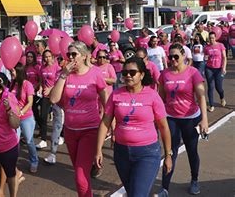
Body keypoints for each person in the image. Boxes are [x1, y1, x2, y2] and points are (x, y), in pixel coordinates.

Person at [95, 57, 172, 197]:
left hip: (147, 153)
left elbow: (164, 127)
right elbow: (105, 122)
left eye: (132, 72)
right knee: (133, 193)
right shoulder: (116, 95)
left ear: (142, 74)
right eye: (125, 73)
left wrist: (168, 155)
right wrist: (98, 150)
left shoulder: (152, 96)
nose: (128, 75)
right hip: (121, 153)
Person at [50, 41, 107, 197]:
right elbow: (54, 99)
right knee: (81, 173)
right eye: (68, 55)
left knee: (80, 178)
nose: (70, 57)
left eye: (74, 54)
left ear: (84, 56)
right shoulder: (65, 75)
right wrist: (63, 75)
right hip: (70, 131)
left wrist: (108, 124)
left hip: (90, 130)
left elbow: (106, 103)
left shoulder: (95, 73)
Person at [156, 44, 209, 196]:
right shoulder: (164, 74)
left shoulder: (193, 73)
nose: (172, 59)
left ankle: (194, 180)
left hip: (190, 119)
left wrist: (204, 120)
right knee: (170, 151)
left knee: (192, 151)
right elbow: (160, 97)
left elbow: (201, 97)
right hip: (171, 118)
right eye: (170, 57)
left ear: (184, 56)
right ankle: (164, 188)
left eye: (176, 56)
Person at [10, 63, 39, 173]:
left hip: (26, 117)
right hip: (14, 118)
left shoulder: (27, 84)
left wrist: (21, 112)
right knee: (14, 141)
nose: (11, 73)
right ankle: (13, 164)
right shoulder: (12, 84)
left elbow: (30, 102)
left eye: (13, 71)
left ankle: (34, 161)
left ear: (19, 72)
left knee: (28, 140)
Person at [35, 50, 61, 149]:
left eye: (49, 56)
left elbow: (60, 82)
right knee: (43, 116)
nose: (47, 59)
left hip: (55, 94)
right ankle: (43, 139)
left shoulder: (57, 68)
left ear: (52, 57)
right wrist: (41, 87)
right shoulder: (42, 68)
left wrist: (51, 89)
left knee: (58, 117)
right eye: (45, 57)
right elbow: (42, 80)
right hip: (45, 95)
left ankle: (61, 135)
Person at [204, 31, 227, 112]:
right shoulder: (206, 47)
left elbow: (224, 57)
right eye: (210, 38)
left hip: (218, 69)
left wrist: (223, 68)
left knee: (219, 87)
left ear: (215, 38)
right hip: (209, 68)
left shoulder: (220, 45)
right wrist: (206, 58)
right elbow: (205, 58)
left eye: (213, 38)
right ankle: (211, 105)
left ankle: (222, 97)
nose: (211, 40)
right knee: (210, 86)